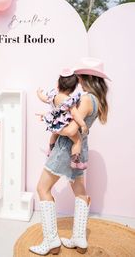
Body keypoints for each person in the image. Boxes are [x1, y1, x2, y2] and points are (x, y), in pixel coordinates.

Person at [29, 58, 109, 255]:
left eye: (81, 76)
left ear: (88, 78)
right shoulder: (97, 101)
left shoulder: (85, 99)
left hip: (66, 148)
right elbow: (80, 129)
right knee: (80, 190)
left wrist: (50, 123)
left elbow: (72, 129)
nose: (78, 80)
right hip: (80, 151)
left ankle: (51, 241)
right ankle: (79, 239)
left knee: (42, 188)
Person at [37, 68, 88, 169]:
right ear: (73, 88)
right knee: (77, 141)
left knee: (54, 135)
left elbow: (43, 98)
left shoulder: (53, 96)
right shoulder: (69, 100)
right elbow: (75, 114)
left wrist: (38, 93)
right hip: (65, 126)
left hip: (55, 124)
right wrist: (82, 124)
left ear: (58, 85)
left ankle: (50, 150)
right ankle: (75, 162)